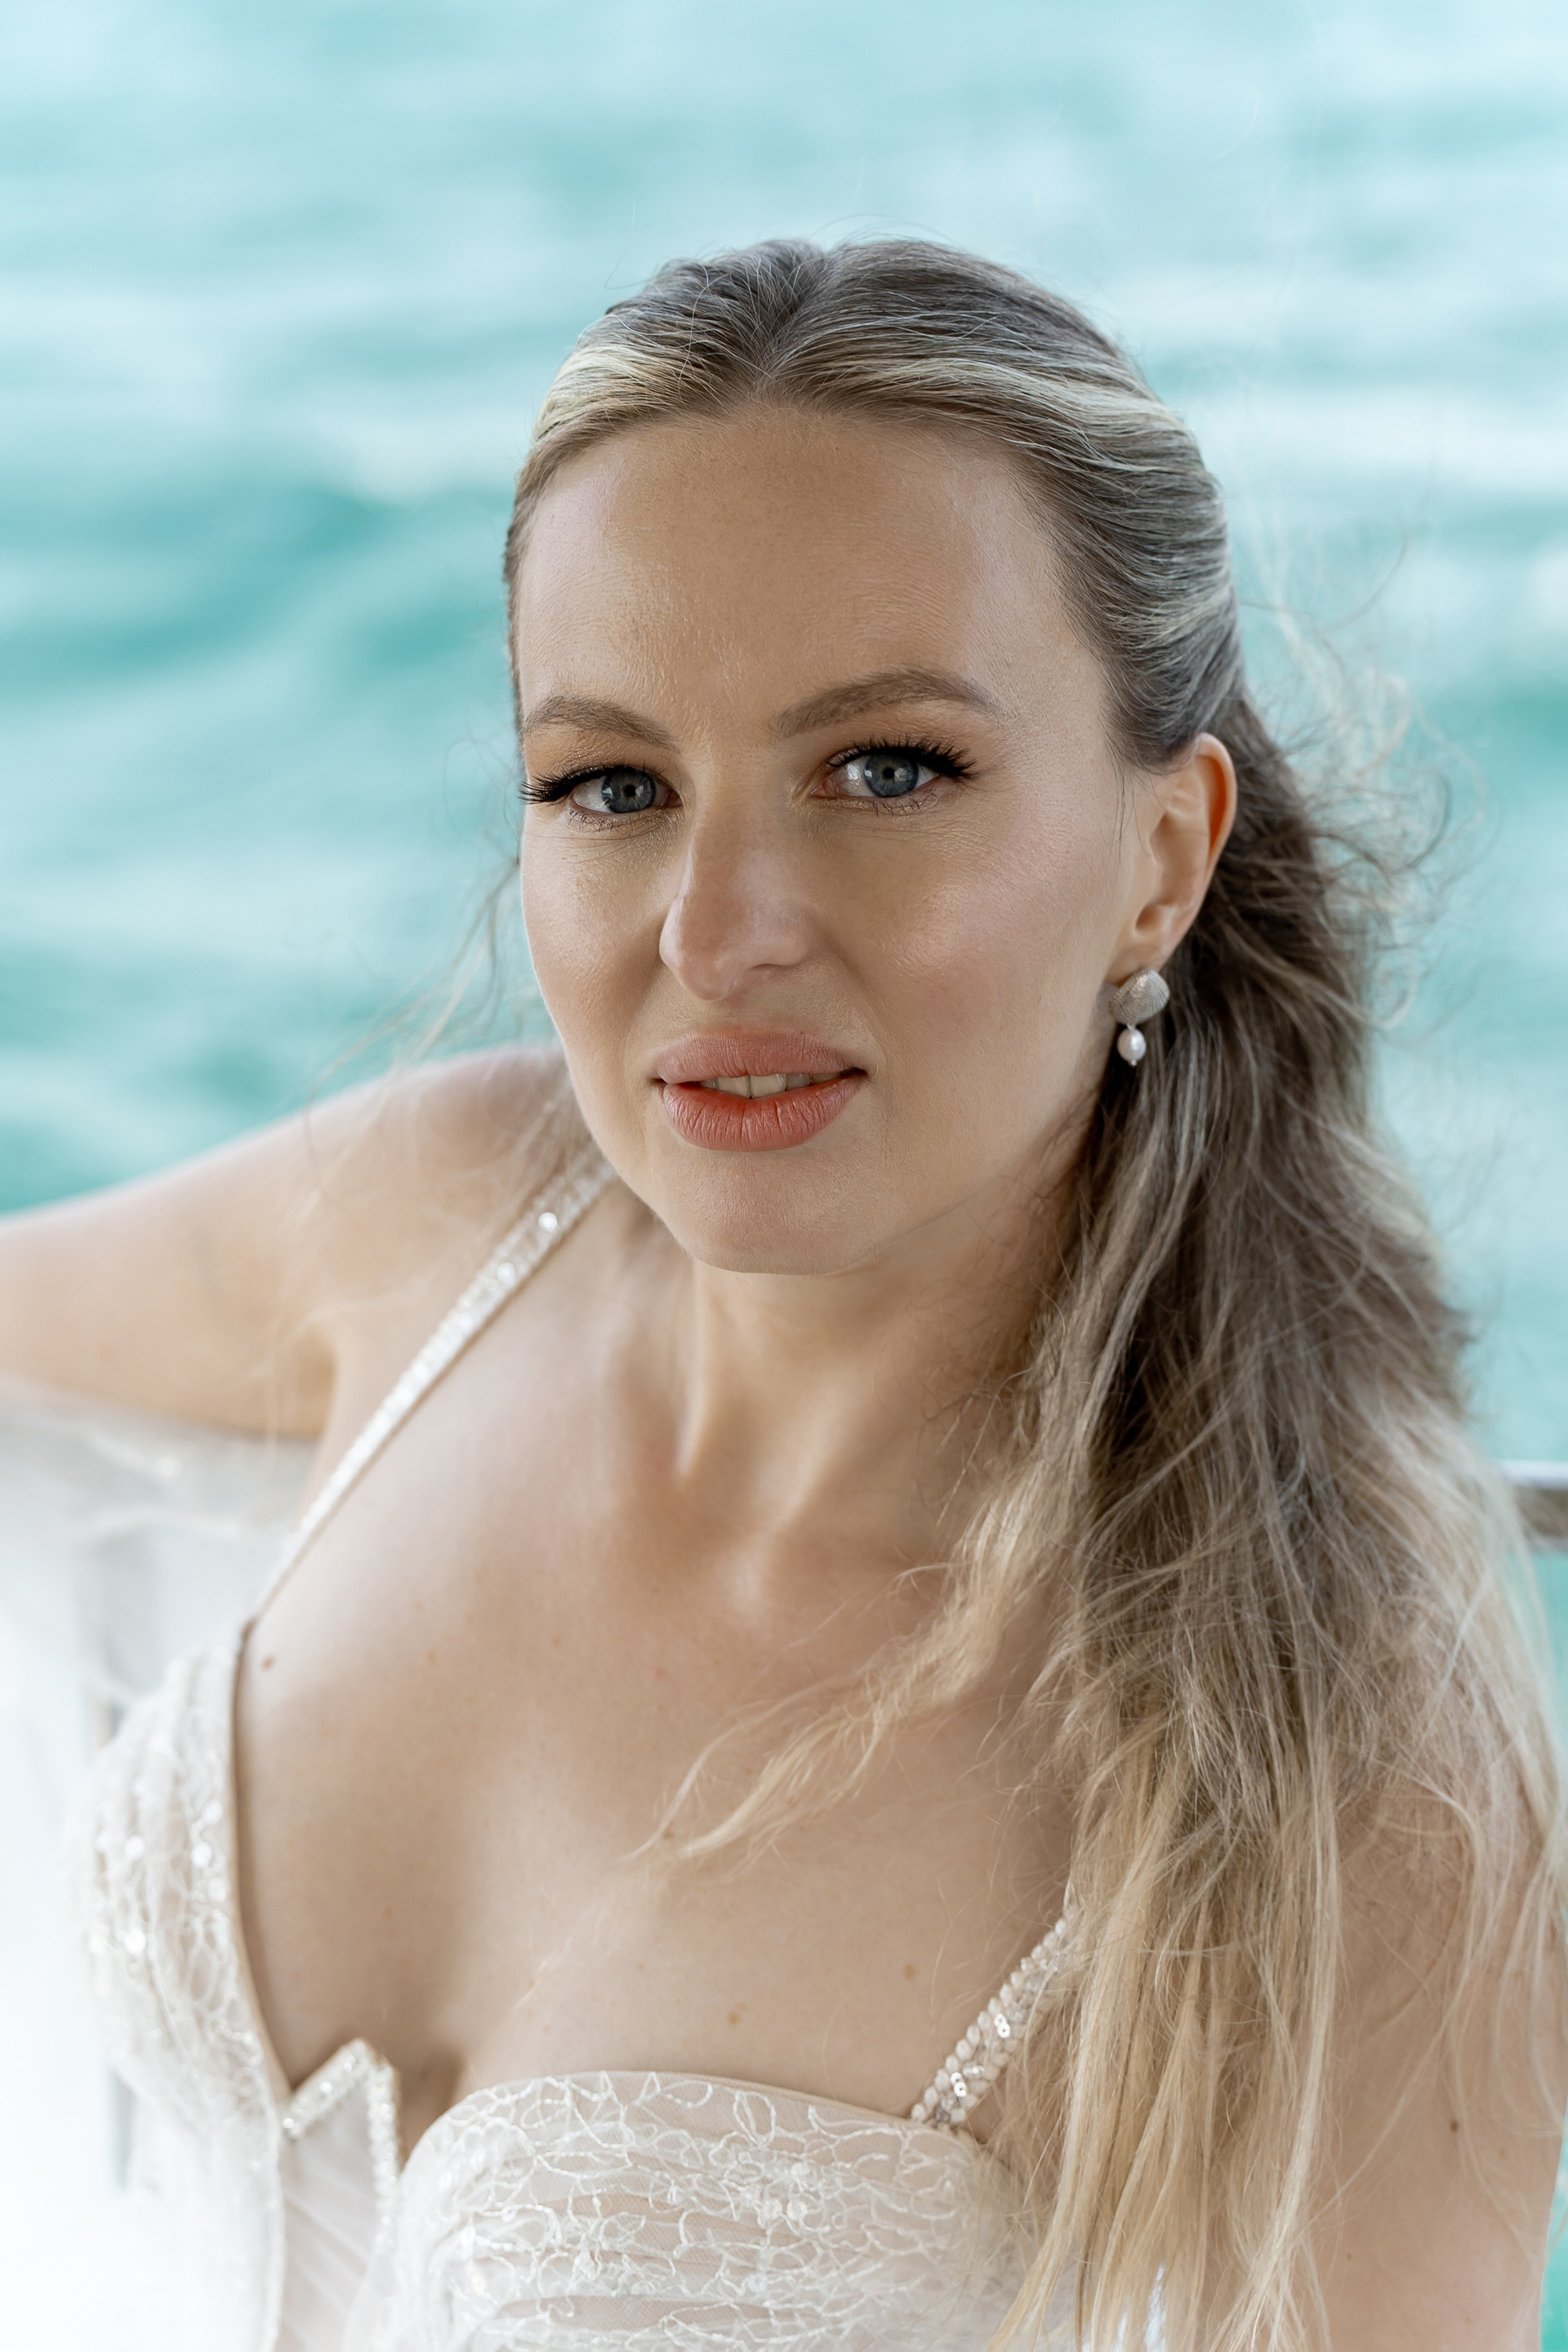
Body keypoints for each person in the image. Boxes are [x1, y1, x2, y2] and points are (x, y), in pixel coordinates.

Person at [1, 238, 1561, 2352]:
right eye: (613, 786)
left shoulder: (1334, 1767)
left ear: (1161, 858)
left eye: (887, 769)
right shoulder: (443, 1225)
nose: (717, 932)